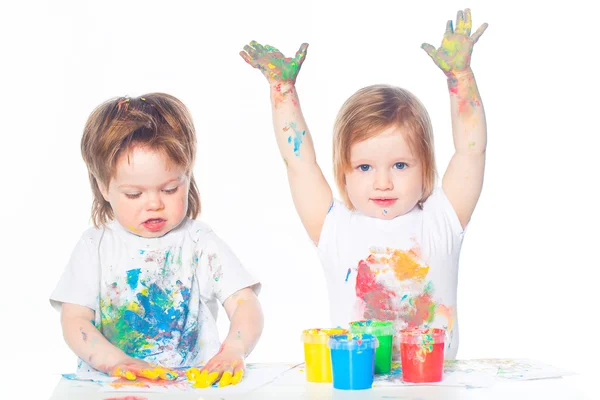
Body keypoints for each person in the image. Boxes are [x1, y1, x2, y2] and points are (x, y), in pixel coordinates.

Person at [240, 9, 487, 359]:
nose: (383, 182)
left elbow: (470, 151)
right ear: (343, 172)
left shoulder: (441, 222)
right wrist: (282, 91)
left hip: (435, 386)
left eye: (400, 165)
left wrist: (460, 77)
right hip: (356, 384)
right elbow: (300, 163)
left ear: (426, 168)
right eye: (364, 167)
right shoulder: (335, 228)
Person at [50, 93, 263, 387]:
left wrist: (234, 349)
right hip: (110, 387)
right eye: (134, 194)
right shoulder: (94, 247)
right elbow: (75, 321)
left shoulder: (199, 242)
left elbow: (244, 303)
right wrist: (117, 362)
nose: (154, 204)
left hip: (190, 386)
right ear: (102, 186)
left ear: (187, 177)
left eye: (170, 189)